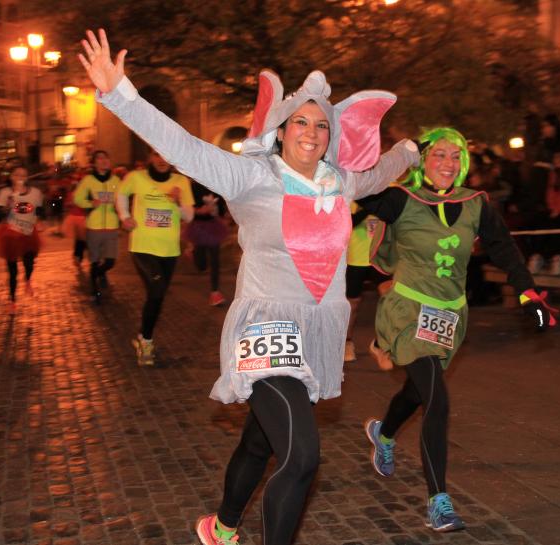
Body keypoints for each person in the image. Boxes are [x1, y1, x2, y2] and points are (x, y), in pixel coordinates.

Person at [79, 28, 419, 545]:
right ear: (281, 131)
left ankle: (220, 528)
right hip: (266, 329)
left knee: (260, 443)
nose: (311, 131)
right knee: (301, 456)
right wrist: (119, 94)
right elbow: (182, 146)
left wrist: (408, 153)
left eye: (321, 124)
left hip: (316, 334)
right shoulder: (251, 177)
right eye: (300, 121)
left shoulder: (341, 183)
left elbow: (378, 173)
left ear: (331, 136)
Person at [357, 127, 556, 532]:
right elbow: (360, 187)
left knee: (418, 390)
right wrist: (396, 154)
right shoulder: (401, 198)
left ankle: (385, 433)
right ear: (423, 161)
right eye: (439, 155)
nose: (448, 163)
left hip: (449, 316)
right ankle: (438, 502)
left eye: (456, 156)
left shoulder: (475, 203)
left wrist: (528, 293)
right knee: (438, 400)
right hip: (407, 309)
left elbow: (505, 248)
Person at [116, 150, 193, 365]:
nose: (162, 160)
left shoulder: (181, 181)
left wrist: (178, 202)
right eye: (157, 155)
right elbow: (121, 194)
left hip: (169, 250)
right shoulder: (136, 177)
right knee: (157, 289)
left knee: (156, 297)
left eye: (166, 156)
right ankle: (147, 342)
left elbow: (189, 216)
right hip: (143, 247)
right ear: (150, 157)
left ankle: (143, 336)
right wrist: (125, 216)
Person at [0, 164, 44, 314]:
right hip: (11, 233)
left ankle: (27, 280)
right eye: (17, 174)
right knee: (12, 270)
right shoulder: (4, 193)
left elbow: (40, 210)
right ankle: (12, 300)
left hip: (29, 232)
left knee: (29, 263)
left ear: (27, 178)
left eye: (23, 175)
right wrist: (6, 207)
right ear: (11, 177)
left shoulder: (35, 192)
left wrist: (39, 220)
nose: (20, 178)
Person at [74, 150, 122, 303]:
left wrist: (119, 207)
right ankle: (94, 290)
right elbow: (77, 198)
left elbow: (123, 198)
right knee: (94, 260)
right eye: (99, 158)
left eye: (106, 157)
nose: (103, 160)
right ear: (94, 163)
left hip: (112, 226)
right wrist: (90, 203)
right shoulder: (88, 180)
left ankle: (99, 274)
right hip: (94, 226)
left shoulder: (116, 181)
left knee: (110, 261)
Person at [343, 201, 383, 362]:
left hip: (380, 258)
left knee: (389, 298)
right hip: (356, 259)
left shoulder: (387, 195)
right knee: (353, 303)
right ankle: (347, 343)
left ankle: (382, 343)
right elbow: (348, 223)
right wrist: (367, 208)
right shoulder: (353, 198)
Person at [185, 180, 229, 306]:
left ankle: (215, 293)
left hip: (213, 226)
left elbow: (221, 208)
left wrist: (218, 212)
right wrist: (200, 211)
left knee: (215, 259)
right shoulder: (193, 186)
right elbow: (186, 208)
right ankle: (194, 252)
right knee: (202, 266)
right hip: (198, 227)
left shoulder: (217, 184)